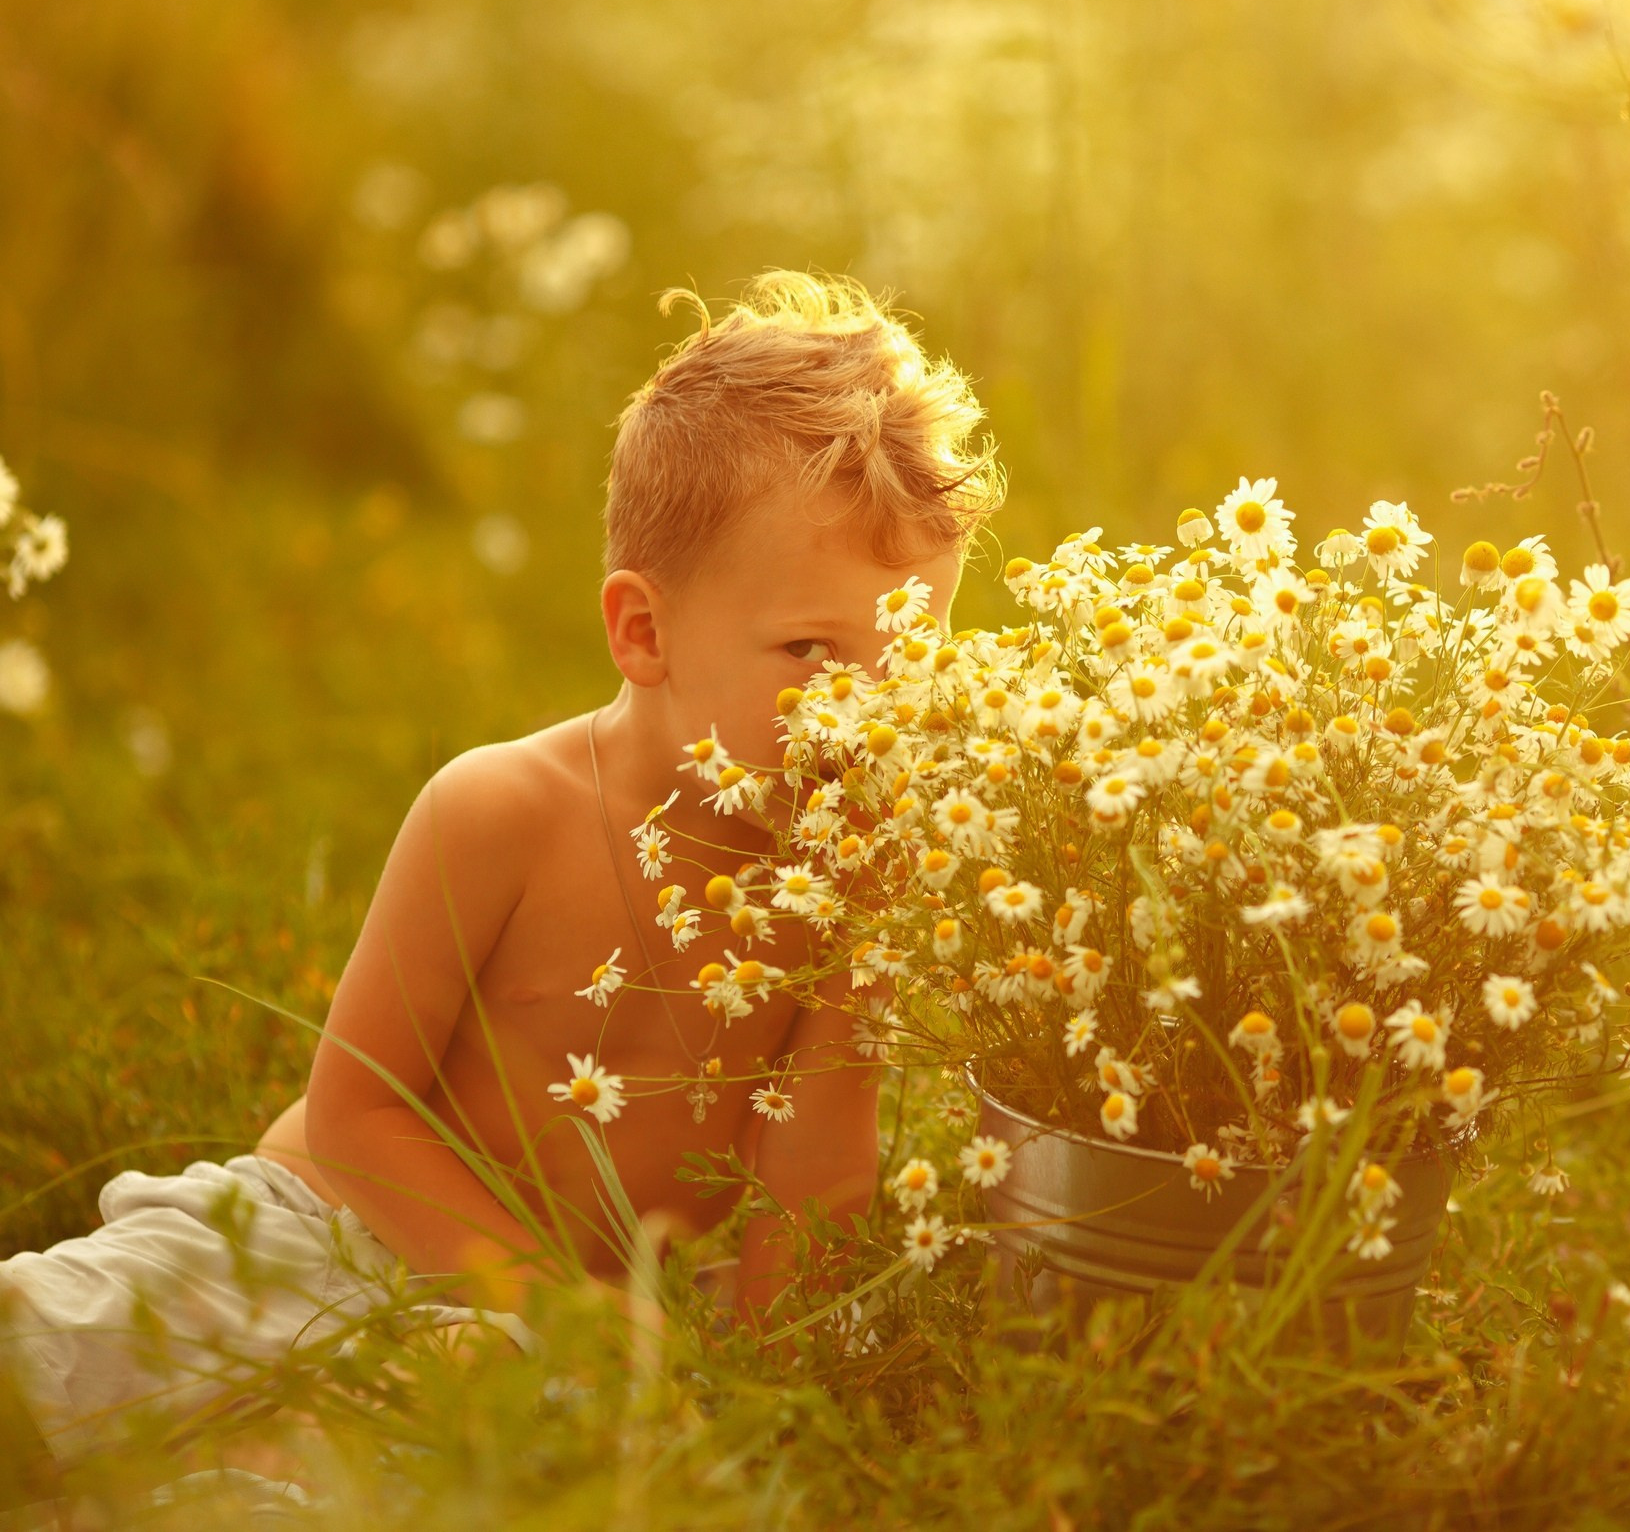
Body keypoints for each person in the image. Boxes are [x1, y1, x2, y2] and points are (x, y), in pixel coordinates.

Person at [0, 272, 1002, 1462]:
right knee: (53, 1356)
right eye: (810, 651)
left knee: (314, 1484)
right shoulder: (502, 809)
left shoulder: (845, 881)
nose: (865, 710)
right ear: (643, 632)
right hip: (318, 1227)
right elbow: (357, 1109)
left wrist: (742, 1400)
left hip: (522, 1336)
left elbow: (812, 1185)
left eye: (906, 655)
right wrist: (559, 1315)